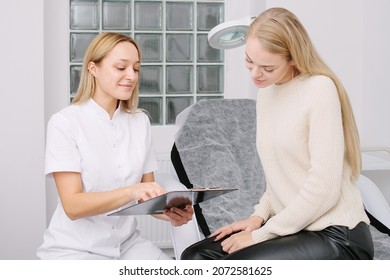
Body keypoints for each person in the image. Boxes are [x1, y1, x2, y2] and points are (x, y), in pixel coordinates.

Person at [181, 7, 374, 260]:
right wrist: (257, 217)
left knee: (234, 266)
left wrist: (260, 234)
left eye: (267, 68)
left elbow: (323, 189)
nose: (255, 74)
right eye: (249, 61)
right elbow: (280, 180)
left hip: (336, 234)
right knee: (195, 256)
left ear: (293, 58)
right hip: (296, 228)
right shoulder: (267, 94)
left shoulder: (319, 88)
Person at [37, 32, 193, 260]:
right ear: (93, 69)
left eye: (136, 69)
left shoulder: (140, 122)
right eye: (121, 67)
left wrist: (170, 212)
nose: (131, 75)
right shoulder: (65, 123)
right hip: (76, 250)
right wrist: (130, 191)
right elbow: (73, 206)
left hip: (128, 245)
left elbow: (147, 196)